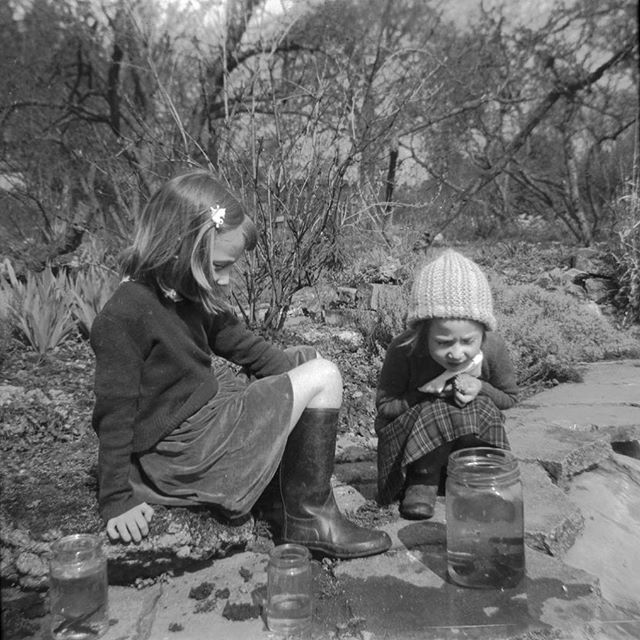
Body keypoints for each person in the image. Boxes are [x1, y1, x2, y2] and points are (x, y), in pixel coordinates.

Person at [90, 169, 391, 559]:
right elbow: (114, 413)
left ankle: (283, 495)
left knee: (307, 361)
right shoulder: (124, 315)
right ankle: (308, 519)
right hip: (186, 453)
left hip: (204, 423)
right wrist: (115, 499)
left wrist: (294, 369)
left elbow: (240, 343)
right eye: (219, 265)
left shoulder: (185, 291)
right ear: (177, 247)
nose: (228, 279)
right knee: (324, 375)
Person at [375, 249, 519, 520]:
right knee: (440, 406)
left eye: (468, 341)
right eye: (443, 343)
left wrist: (481, 388)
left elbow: (509, 397)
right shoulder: (403, 349)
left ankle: (474, 472)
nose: (456, 353)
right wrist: (424, 394)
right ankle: (422, 481)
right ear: (422, 331)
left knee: (479, 404)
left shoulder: (493, 348)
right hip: (412, 446)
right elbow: (385, 407)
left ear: (483, 332)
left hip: (466, 441)